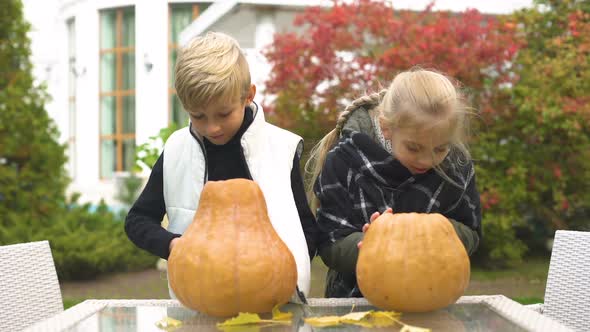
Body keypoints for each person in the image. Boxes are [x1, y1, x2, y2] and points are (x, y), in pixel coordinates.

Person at [124, 32, 318, 302]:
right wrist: (174, 245)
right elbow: (137, 221)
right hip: (198, 306)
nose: (212, 127)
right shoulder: (176, 150)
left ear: (248, 96)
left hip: (274, 308)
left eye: (223, 114)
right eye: (198, 116)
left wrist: (275, 271)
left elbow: (307, 231)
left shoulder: (282, 148)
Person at [306, 68, 482, 298]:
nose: (427, 160)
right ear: (387, 128)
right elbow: (329, 242)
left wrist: (432, 236)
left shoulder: (457, 164)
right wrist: (374, 244)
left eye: (440, 148)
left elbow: (471, 231)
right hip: (356, 304)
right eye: (414, 147)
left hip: (432, 299)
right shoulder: (343, 160)